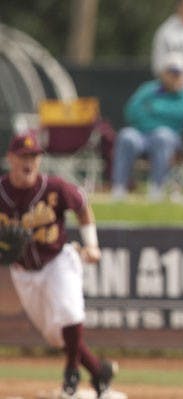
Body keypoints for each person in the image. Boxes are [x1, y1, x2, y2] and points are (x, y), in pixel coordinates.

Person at [0, 133, 118, 398]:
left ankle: (71, 377)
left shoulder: (54, 187)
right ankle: (100, 373)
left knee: (70, 313)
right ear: (10, 158)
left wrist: (92, 244)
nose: (28, 162)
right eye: (23, 156)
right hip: (24, 273)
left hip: (58, 261)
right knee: (56, 336)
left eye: (34, 157)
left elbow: (83, 206)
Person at [111, 51, 183, 201]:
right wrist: (160, 115)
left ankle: (156, 189)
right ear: (163, 73)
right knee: (127, 136)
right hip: (142, 136)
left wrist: (154, 109)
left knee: (161, 135)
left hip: (174, 139)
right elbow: (132, 113)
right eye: (171, 72)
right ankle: (119, 188)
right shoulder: (148, 89)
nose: (175, 76)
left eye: (179, 72)